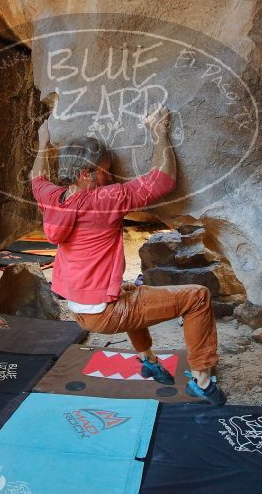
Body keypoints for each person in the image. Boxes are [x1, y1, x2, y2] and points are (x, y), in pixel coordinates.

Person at [30, 106, 226, 405]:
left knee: (131, 291)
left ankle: (148, 360)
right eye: (104, 171)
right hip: (106, 313)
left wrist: (43, 142)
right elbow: (163, 180)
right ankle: (201, 380)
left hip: (80, 309)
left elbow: (37, 176)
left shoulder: (52, 198)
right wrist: (158, 131)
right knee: (198, 297)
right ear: (85, 174)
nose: (109, 177)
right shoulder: (105, 199)